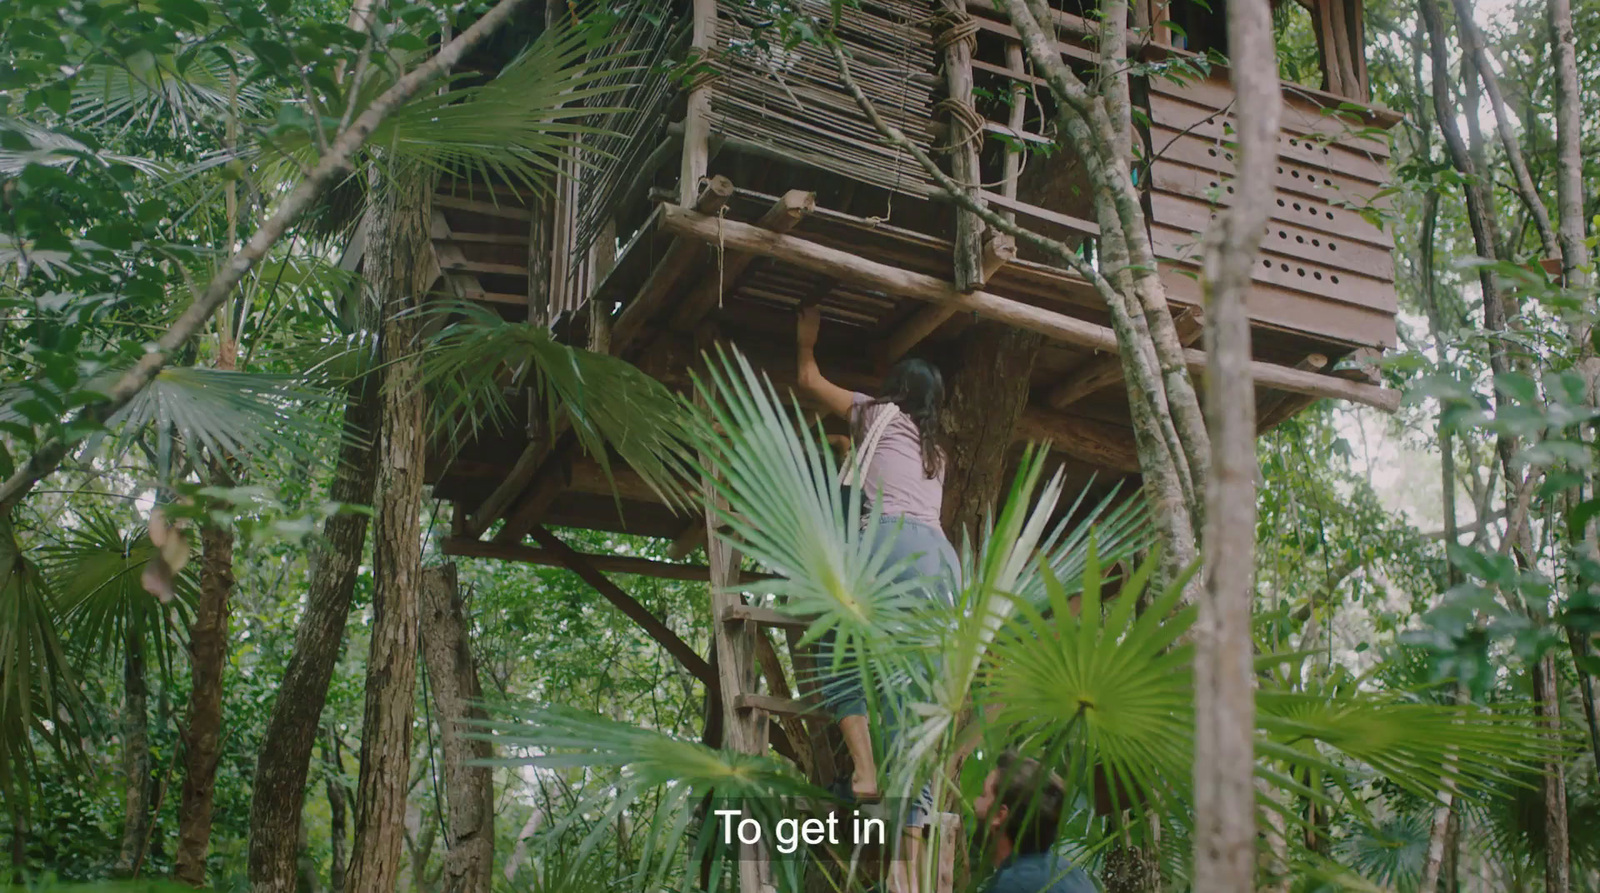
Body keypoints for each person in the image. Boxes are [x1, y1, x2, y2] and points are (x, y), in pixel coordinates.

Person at [794, 305, 959, 893]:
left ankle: (864, 770)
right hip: (940, 562)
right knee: (915, 698)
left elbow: (810, 383)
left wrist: (807, 341)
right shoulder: (936, 450)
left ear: (895, 391)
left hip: (888, 548)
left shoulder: (877, 413)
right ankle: (904, 871)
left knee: (836, 646)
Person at [972, 751, 1095, 893]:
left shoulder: (1011, 885)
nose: (975, 803)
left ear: (999, 815)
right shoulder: (1069, 872)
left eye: (983, 795)